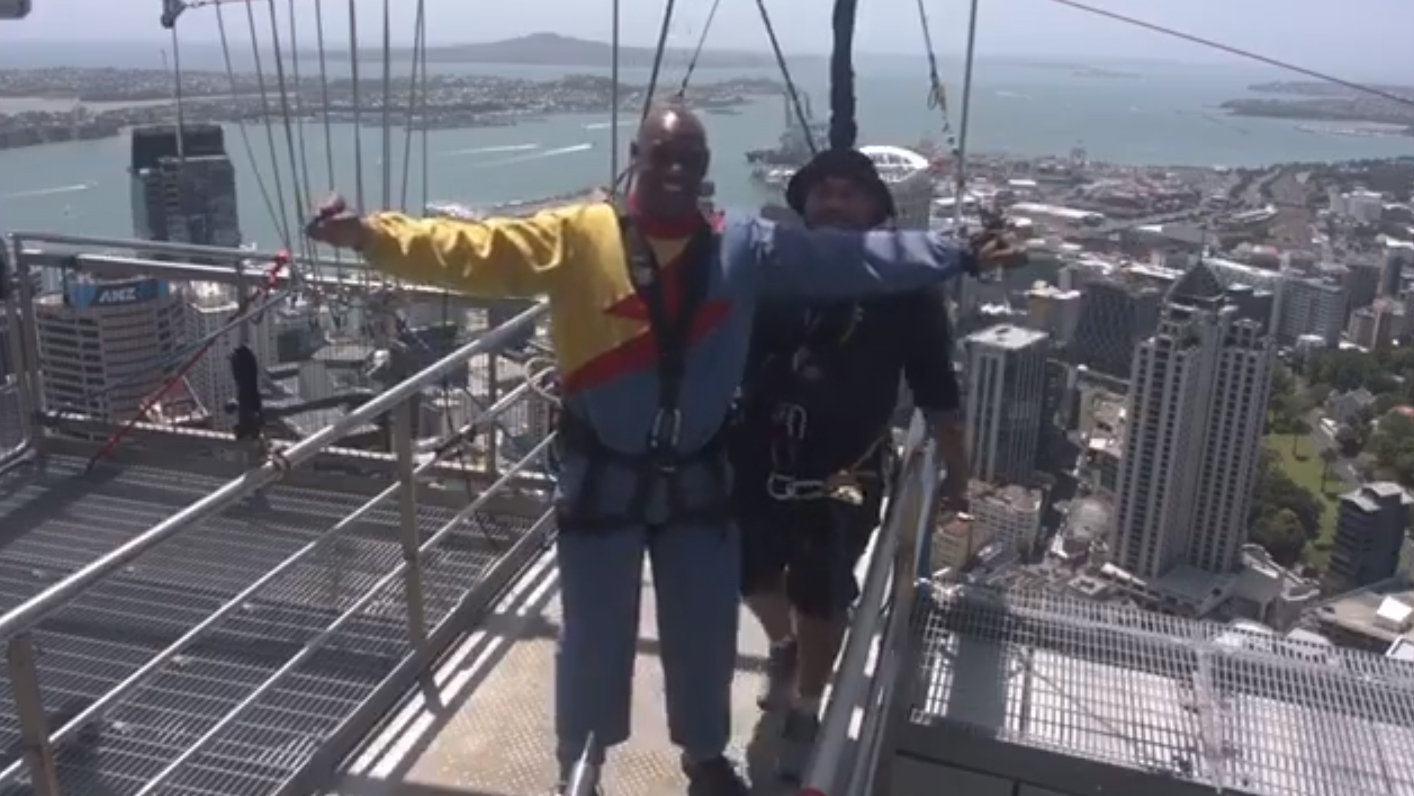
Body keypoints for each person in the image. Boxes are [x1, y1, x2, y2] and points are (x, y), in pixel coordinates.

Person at [306, 104, 1021, 796]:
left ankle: (704, 758)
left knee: (704, 634)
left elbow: (853, 259)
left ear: (704, 167)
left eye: (688, 159)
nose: (675, 170)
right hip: (603, 478)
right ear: (636, 161)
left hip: (696, 481)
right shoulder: (580, 237)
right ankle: (582, 763)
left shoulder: (744, 243)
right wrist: (368, 234)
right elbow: (472, 250)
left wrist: (957, 254)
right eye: (662, 156)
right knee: (592, 635)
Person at [731, 148, 973, 780]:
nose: (833, 202)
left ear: (875, 210)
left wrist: (957, 474)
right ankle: (785, 645)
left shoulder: (905, 290)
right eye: (823, 192)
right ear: (803, 207)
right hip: (758, 456)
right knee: (751, 577)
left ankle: (808, 702)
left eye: (850, 193)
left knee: (822, 593)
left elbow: (936, 390)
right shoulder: (770, 271)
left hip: (845, 472)